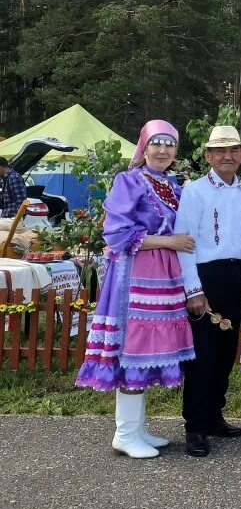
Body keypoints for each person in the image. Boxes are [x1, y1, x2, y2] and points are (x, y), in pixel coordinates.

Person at [76, 120, 196, 458]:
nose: (162, 150)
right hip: (135, 276)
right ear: (143, 146)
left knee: (148, 352)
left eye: (169, 144)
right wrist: (168, 241)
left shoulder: (171, 184)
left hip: (164, 275)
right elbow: (116, 234)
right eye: (156, 143)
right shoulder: (128, 181)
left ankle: (138, 427)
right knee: (134, 347)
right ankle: (125, 433)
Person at [173, 126, 241, 457]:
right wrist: (194, 290)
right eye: (220, 151)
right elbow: (184, 243)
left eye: (233, 150)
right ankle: (194, 425)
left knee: (224, 352)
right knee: (202, 356)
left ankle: (214, 416)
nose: (227, 156)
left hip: (235, 275)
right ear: (207, 156)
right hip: (206, 276)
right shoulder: (194, 191)